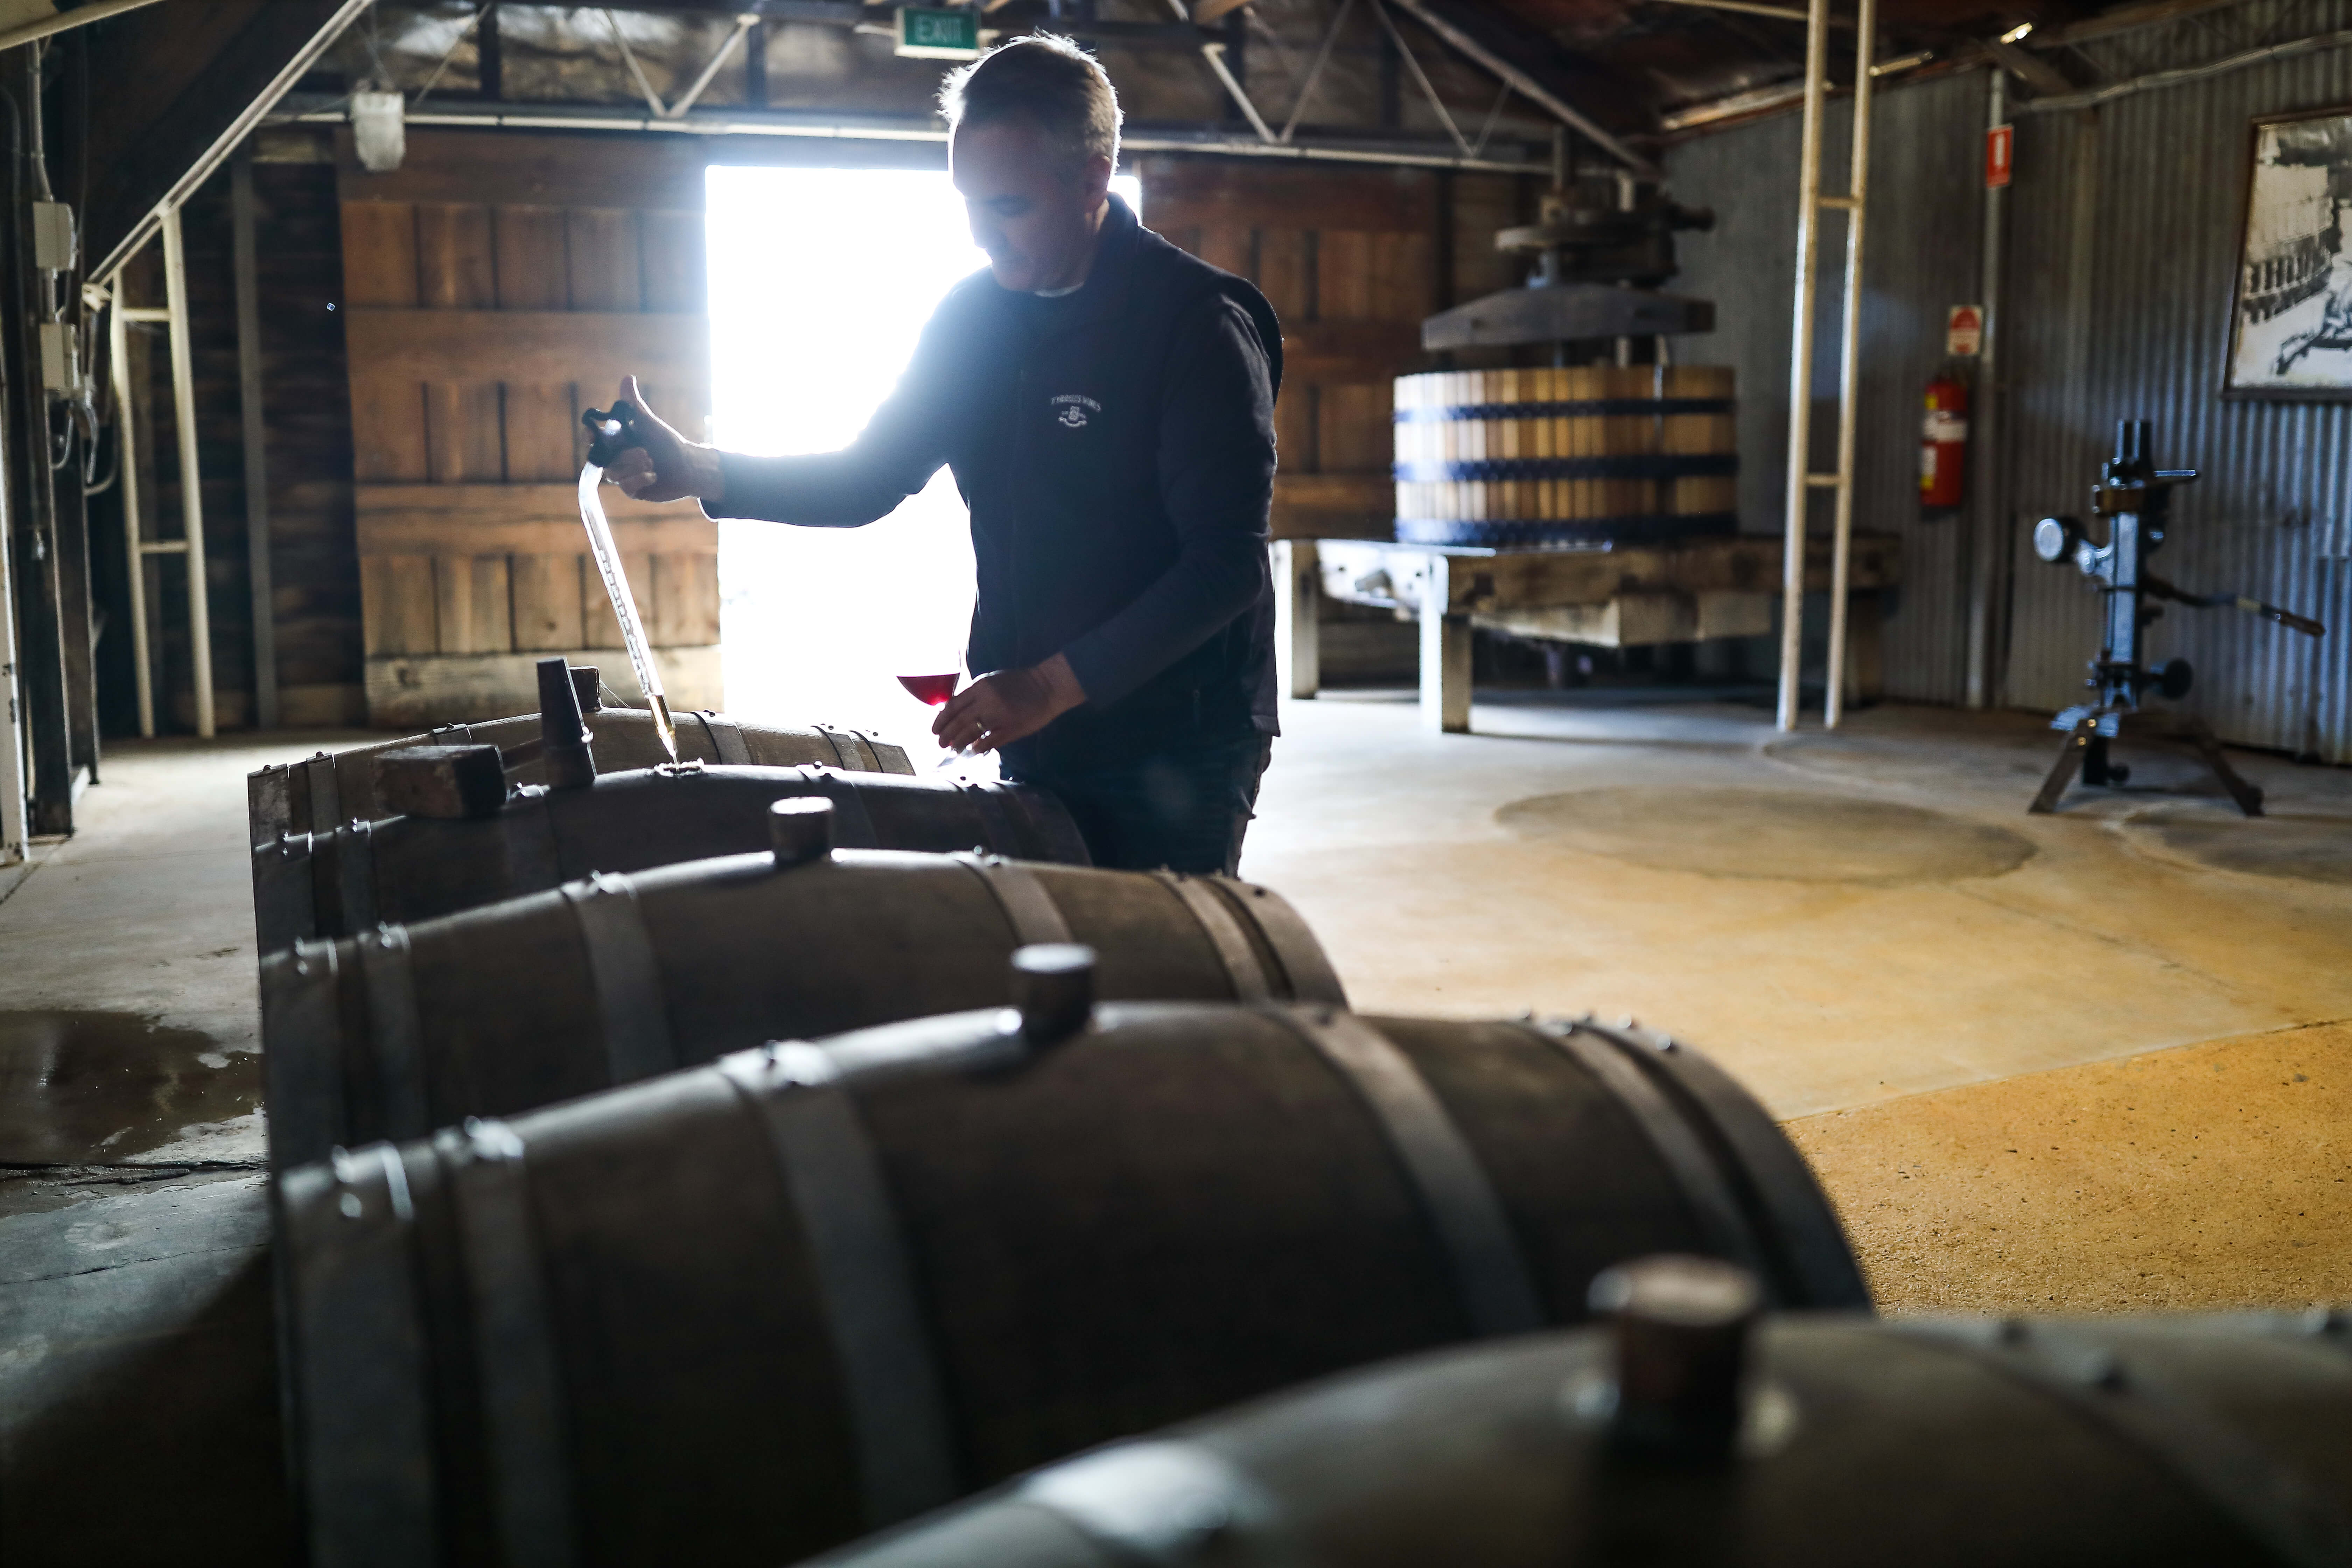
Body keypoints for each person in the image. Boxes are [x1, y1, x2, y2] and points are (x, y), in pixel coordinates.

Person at [604, 35, 1282, 875]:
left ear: (1092, 180)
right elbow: (870, 476)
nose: (982, 238)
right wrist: (703, 469)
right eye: (968, 204)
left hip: (1177, 736)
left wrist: (1045, 685)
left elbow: (1223, 566)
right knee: (1062, 957)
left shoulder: (1196, 325)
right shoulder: (975, 319)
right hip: (1035, 719)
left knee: (1158, 980)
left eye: (1008, 207)